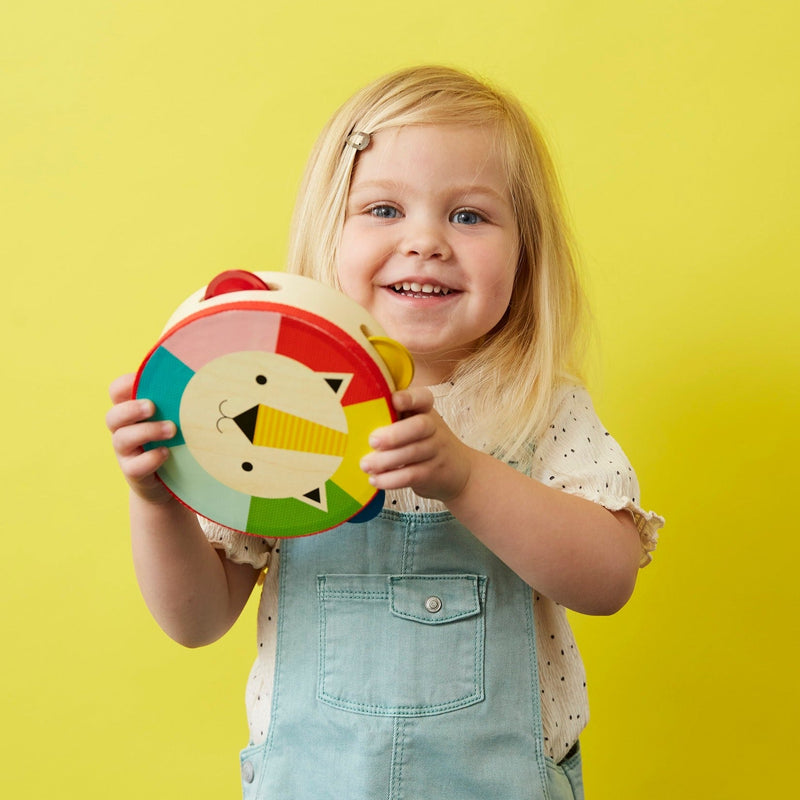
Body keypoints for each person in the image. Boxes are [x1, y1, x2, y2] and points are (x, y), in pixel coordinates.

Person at [106, 65, 663, 800]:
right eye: (383, 209)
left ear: (526, 254)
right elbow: (197, 620)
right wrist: (157, 502)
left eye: (469, 216)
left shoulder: (539, 406)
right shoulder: (273, 406)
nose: (426, 241)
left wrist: (465, 477)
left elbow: (608, 579)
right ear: (329, 231)